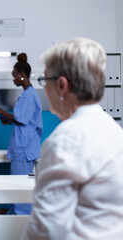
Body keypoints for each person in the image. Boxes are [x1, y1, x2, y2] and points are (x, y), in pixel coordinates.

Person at [21, 38, 123, 239]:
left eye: (45, 80)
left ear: (61, 85)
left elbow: (47, 229)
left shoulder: (65, 141)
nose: (44, 88)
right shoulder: (113, 129)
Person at [0, 53, 43, 215]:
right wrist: (7, 118)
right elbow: (24, 119)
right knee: (17, 186)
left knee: (20, 187)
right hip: (24, 146)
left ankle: (20, 217)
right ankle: (13, 214)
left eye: (15, 76)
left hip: (24, 148)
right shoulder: (26, 94)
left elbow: (21, 119)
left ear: (22, 75)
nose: (13, 80)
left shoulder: (30, 95)